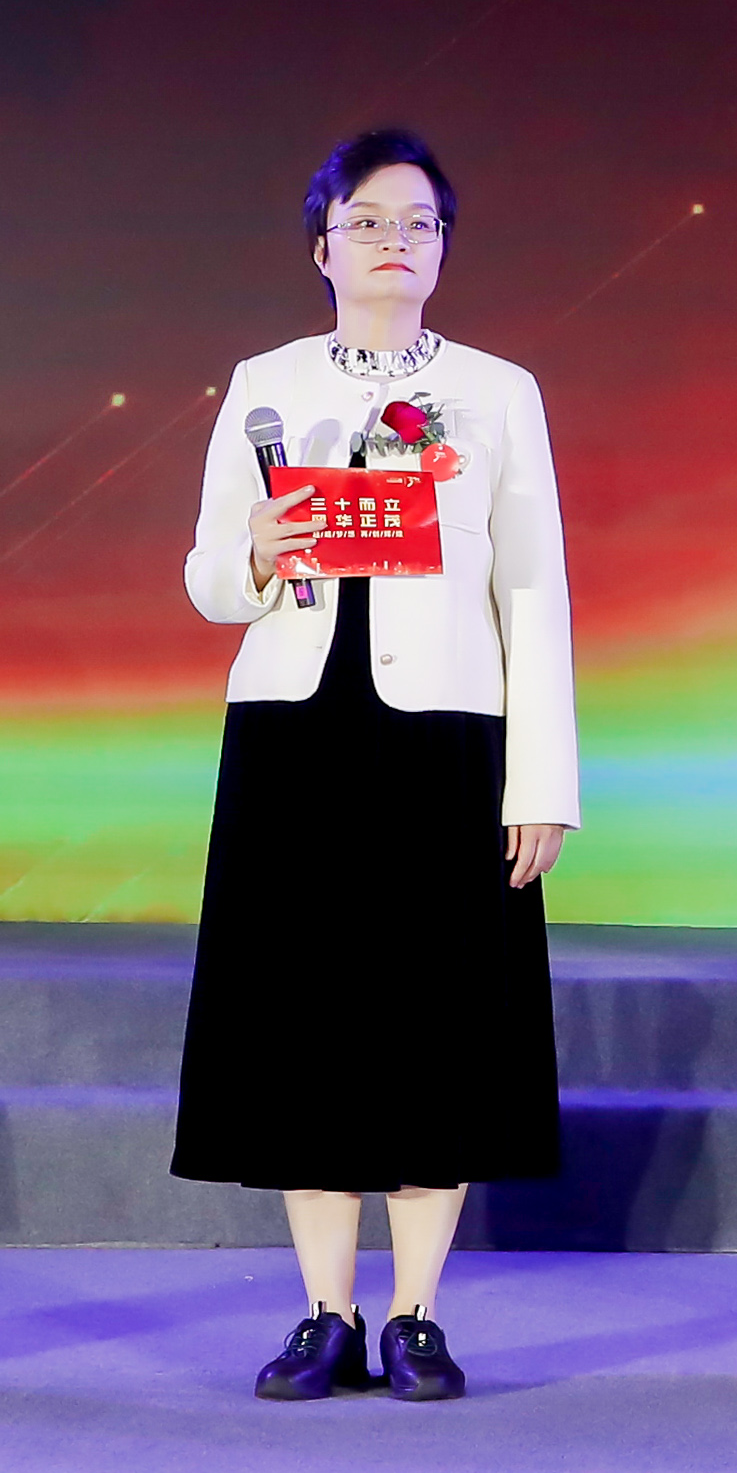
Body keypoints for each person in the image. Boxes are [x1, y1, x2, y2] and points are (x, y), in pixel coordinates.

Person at [175, 127, 578, 1403]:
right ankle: (323, 1312)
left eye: (417, 223)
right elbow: (207, 580)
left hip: (444, 734)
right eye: (365, 220)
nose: (392, 241)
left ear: (444, 249)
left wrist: (541, 779)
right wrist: (256, 543)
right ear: (321, 247)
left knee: (431, 1024)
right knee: (305, 1023)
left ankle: (415, 1315)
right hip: (296, 731)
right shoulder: (266, 383)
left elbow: (534, 590)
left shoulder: (497, 391)